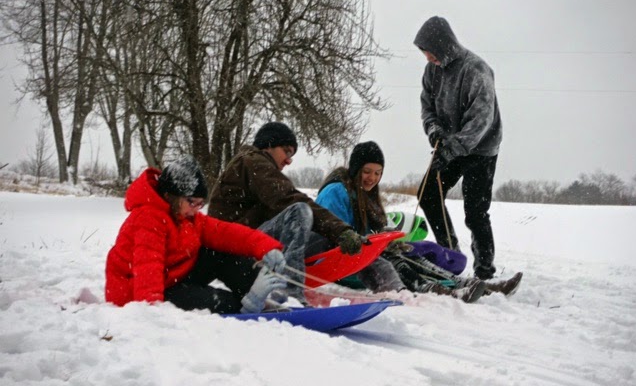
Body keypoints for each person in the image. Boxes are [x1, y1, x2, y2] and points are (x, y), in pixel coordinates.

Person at [105, 155, 288, 315]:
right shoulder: (148, 219)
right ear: (171, 196)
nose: (196, 209)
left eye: (200, 204)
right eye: (192, 202)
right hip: (138, 293)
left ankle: (255, 293)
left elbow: (226, 233)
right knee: (218, 302)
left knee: (219, 252)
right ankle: (242, 306)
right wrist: (151, 310)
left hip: (173, 277)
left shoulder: (188, 217)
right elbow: (147, 267)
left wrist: (266, 247)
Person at [315, 141, 493, 303]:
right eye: (367, 171)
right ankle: (429, 288)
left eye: (377, 173)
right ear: (356, 169)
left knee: (407, 254)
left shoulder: (364, 195)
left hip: (356, 260)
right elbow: (335, 234)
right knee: (391, 259)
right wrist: (374, 244)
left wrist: (386, 239)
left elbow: (369, 232)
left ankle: (457, 282)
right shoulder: (336, 192)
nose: (372, 178)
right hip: (334, 265)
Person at [207, 122, 365, 304]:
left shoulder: (253, 165)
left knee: (321, 233)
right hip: (233, 250)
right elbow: (290, 199)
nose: (289, 160)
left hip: (244, 245)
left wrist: (339, 233)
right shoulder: (253, 161)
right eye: (287, 152)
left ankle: (372, 284)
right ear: (268, 145)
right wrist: (340, 230)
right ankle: (289, 293)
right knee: (299, 212)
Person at [414, 16, 503, 281]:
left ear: (444, 45)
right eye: (424, 52)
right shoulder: (431, 71)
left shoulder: (476, 70)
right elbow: (427, 107)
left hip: (480, 149)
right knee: (428, 193)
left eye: (430, 51)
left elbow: (481, 120)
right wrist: (434, 130)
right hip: (449, 145)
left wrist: (452, 149)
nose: (427, 57)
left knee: (475, 212)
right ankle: (450, 254)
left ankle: (484, 271)